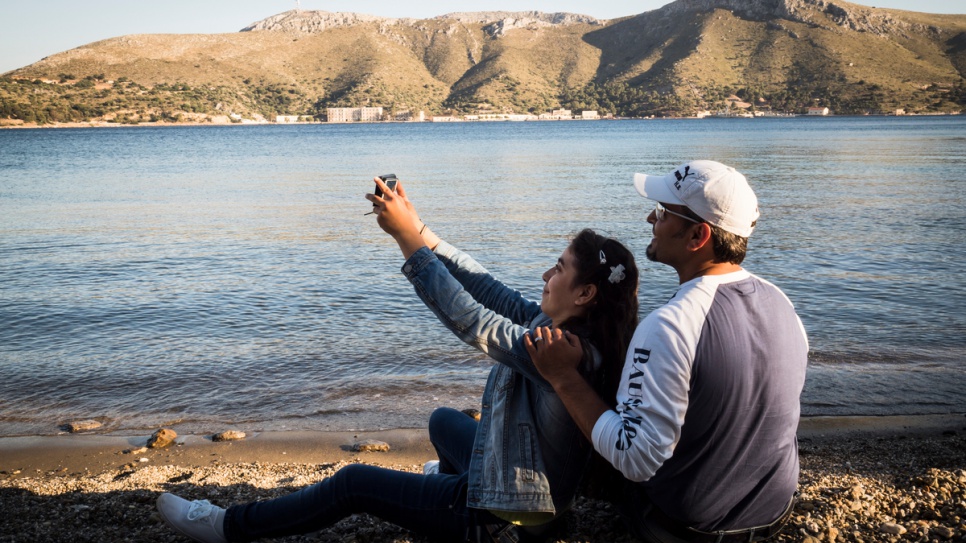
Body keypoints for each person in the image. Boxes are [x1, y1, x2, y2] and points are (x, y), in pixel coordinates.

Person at [155, 176, 640, 543]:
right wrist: (421, 227)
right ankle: (458, 506)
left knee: (352, 483)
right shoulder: (562, 329)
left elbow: (472, 320)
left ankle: (226, 526)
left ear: (584, 293)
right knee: (443, 421)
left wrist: (406, 241)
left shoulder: (563, 353)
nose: (545, 274)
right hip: (518, 477)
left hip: (506, 505)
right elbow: (486, 286)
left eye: (557, 269)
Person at [526, 160, 808, 542]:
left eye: (662, 213)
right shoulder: (781, 303)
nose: (649, 219)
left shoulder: (670, 325)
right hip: (774, 513)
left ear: (697, 236)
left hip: (689, 530)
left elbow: (634, 458)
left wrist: (564, 377)